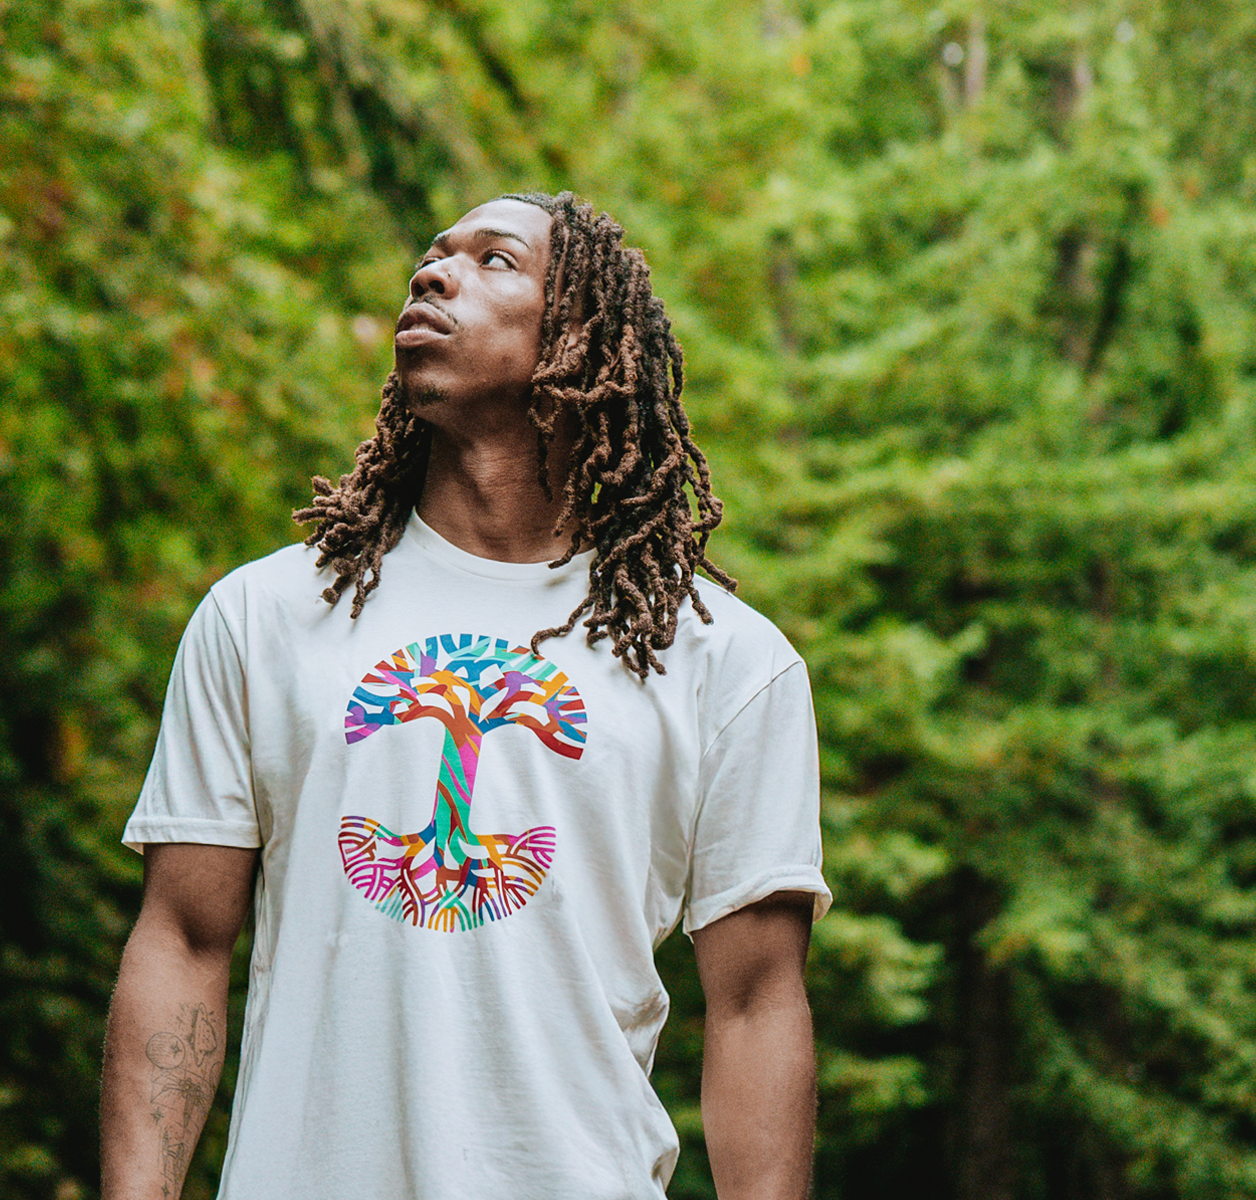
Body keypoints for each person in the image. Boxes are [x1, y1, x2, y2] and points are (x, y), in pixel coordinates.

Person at [101, 191, 829, 1200]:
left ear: (583, 336)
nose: (431, 273)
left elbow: (753, 1002)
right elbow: (182, 938)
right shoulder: (264, 616)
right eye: (430, 255)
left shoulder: (723, 662)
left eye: (494, 260)